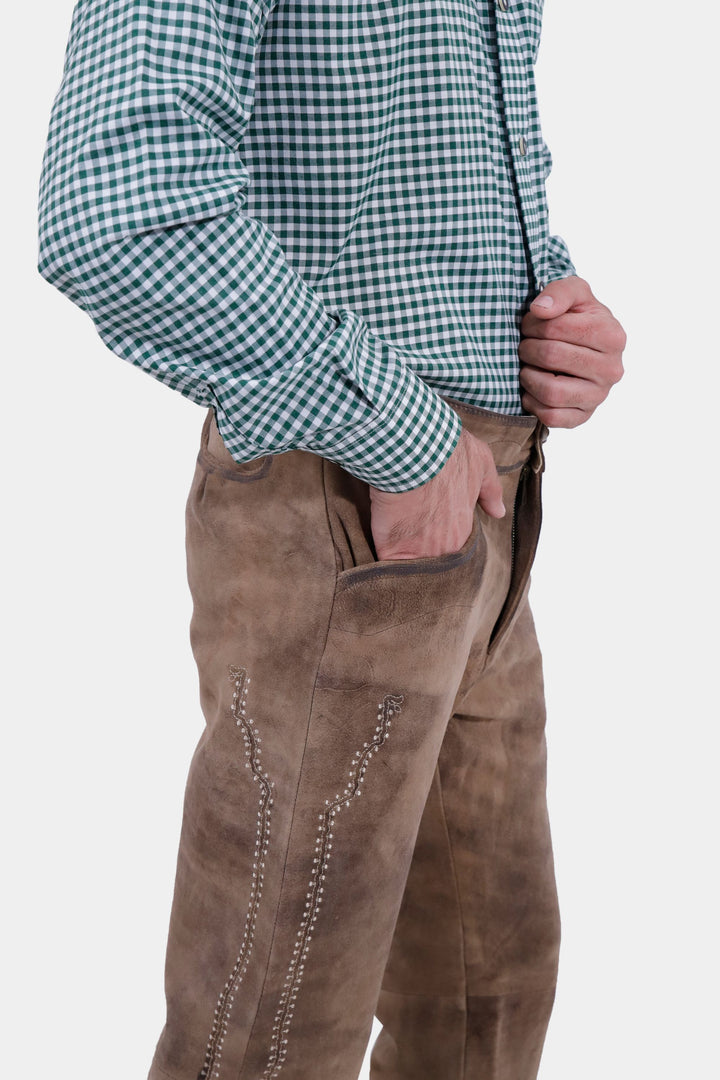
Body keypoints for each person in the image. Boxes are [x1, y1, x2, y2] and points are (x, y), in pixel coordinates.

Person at [37, 1, 625, 1078]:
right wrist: (402, 434)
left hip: (485, 494)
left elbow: (409, 159)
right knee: (272, 1029)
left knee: (489, 990)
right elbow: (116, 208)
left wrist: (549, 315)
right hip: (342, 501)